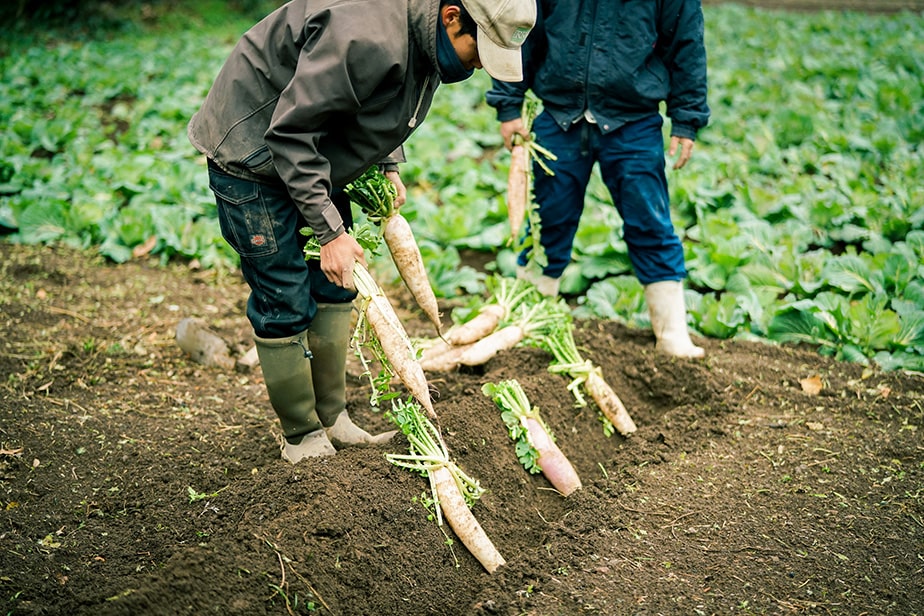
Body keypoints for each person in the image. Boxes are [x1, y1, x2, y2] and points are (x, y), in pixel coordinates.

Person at [188, 0, 536, 463]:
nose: (478, 65)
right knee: (284, 297)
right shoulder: (368, 36)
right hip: (254, 153)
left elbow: (382, 101)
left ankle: (332, 417)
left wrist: (388, 162)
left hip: (315, 156)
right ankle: (301, 435)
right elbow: (289, 133)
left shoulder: (426, 33)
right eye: (479, 51)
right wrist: (330, 235)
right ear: (453, 16)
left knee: (336, 286)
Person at [486, 0, 709, 359]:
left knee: (650, 223)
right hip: (559, 114)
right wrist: (508, 102)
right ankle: (529, 323)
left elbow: (685, 41)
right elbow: (522, 28)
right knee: (546, 223)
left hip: (634, 120)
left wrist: (687, 117)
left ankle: (672, 338)